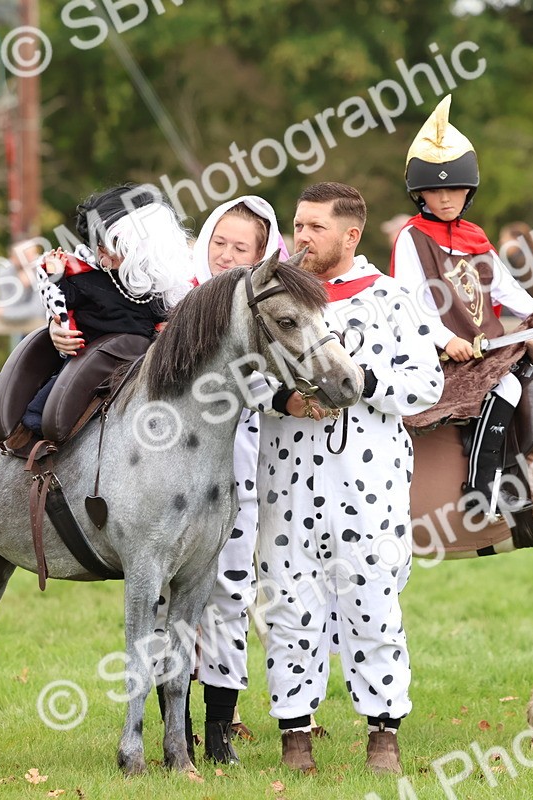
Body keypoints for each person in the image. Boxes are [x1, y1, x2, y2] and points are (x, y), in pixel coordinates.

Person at [256, 182, 442, 776]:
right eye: (298, 225)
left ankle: (383, 734)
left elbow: (427, 383)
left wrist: (362, 381)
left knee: (372, 603)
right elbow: (238, 375)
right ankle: (295, 735)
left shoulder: (391, 298)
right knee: (288, 604)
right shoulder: (271, 298)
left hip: (368, 481)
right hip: (287, 479)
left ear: (351, 235)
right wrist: (285, 399)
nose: (302, 237)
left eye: (316, 227)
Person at [389, 95, 533, 525]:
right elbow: (409, 303)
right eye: (436, 189)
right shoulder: (412, 238)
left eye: (455, 188)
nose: (446, 198)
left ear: (469, 191)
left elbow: (509, 291)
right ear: (419, 193)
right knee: (505, 388)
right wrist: (446, 340)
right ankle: (481, 490)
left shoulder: (475, 236)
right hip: (437, 353)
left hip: (487, 348)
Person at [175, 195, 289, 765]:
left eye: (240, 247)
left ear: (261, 255)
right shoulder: (176, 298)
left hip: (236, 471)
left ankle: (220, 728)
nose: (224, 254)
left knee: (229, 594)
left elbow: (271, 384)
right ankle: (174, 727)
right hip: (171, 474)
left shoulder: (263, 313)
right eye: (218, 241)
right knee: (169, 598)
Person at [28, 185, 192, 437]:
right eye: (99, 246)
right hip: (90, 355)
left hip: (140, 364)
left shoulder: (167, 288)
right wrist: (56, 276)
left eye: (110, 246)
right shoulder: (90, 276)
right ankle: (36, 420)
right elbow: (65, 298)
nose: (101, 255)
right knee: (60, 391)